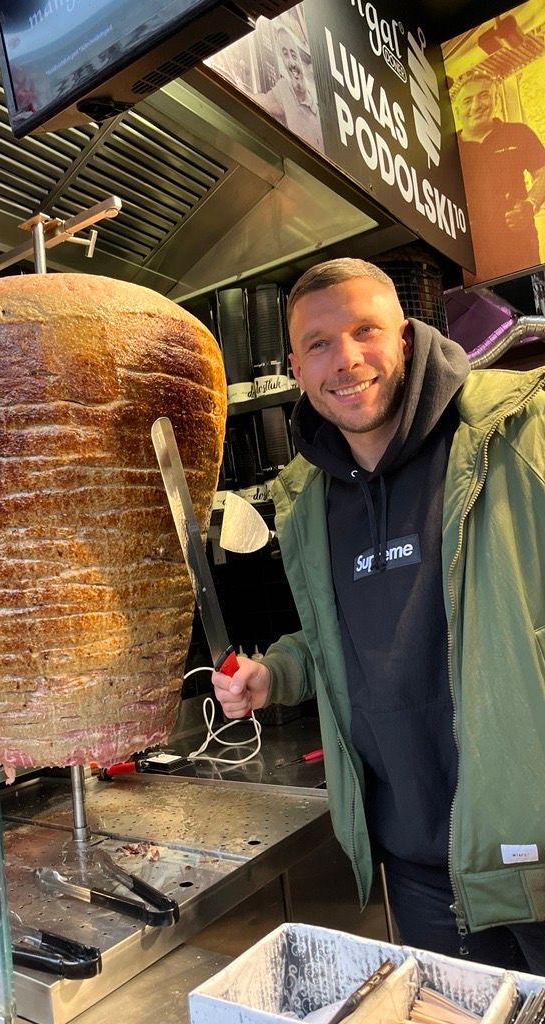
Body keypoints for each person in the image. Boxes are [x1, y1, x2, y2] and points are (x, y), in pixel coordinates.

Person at [212, 257, 545, 971]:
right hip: (416, 861)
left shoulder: (516, 431)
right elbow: (334, 634)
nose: (347, 358)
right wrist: (274, 675)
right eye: (320, 343)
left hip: (534, 846)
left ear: (406, 335)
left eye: (366, 330)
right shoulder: (308, 496)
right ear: (297, 367)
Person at [455, 74, 545, 282]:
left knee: (530, 306)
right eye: (468, 100)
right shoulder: (448, 148)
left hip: (519, 244)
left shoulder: (518, 133)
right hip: (469, 253)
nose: (477, 105)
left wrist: (530, 204)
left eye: (484, 96)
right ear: (458, 109)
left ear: (496, 101)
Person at [253, 24, 323, 152]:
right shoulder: (284, 89)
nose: (291, 63)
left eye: (294, 55)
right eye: (285, 55)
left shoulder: (319, 110)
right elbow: (260, 102)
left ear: (301, 61)